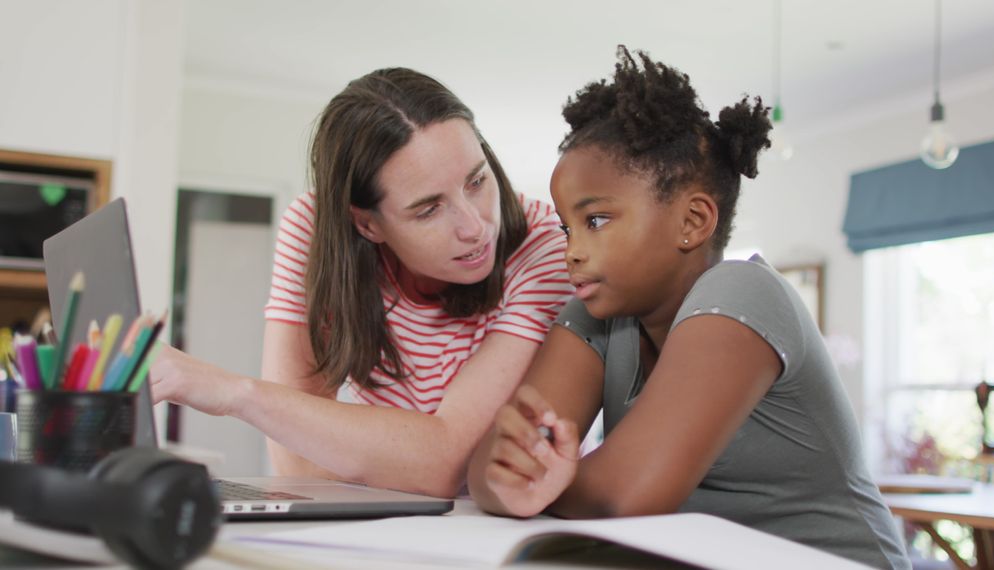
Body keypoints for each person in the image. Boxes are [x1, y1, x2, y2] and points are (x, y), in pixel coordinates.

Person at [466, 48, 910, 569]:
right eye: (568, 227)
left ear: (693, 221)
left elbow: (625, 494)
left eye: (597, 221)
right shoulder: (595, 315)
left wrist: (539, 482)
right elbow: (490, 469)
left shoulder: (744, 292)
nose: (573, 251)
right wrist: (512, 476)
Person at [151, 68, 573, 498]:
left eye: (477, 181)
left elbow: (443, 465)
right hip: (381, 521)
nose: (475, 227)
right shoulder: (313, 231)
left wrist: (236, 394)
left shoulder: (546, 247)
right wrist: (403, 458)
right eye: (429, 209)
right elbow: (295, 463)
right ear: (367, 225)